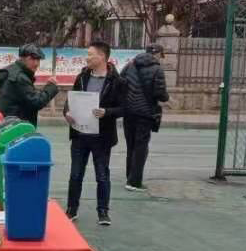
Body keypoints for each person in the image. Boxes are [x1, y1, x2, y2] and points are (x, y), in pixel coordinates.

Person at [63, 41, 123, 226]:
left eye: (90, 54)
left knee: (102, 175)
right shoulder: (82, 77)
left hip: (102, 137)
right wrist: (67, 113)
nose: (87, 58)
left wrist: (107, 112)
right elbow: (70, 100)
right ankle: (71, 209)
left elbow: (125, 108)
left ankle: (103, 212)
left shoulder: (116, 81)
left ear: (102, 56)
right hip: (80, 135)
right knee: (75, 174)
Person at [121, 43, 169, 192]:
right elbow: (160, 94)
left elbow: (120, 85)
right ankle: (134, 182)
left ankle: (129, 176)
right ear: (157, 54)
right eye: (161, 55)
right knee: (141, 148)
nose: (161, 58)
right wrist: (166, 97)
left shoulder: (129, 66)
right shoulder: (157, 70)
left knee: (131, 146)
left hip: (128, 112)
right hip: (145, 113)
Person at [0, 44, 59, 126]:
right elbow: (37, 102)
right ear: (22, 58)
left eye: (38, 60)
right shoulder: (20, 78)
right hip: (15, 126)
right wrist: (51, 87)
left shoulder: (12, 70)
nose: (36, 63)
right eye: (32, 59)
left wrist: (47, 87)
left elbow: (27, 96)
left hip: (7, 123)